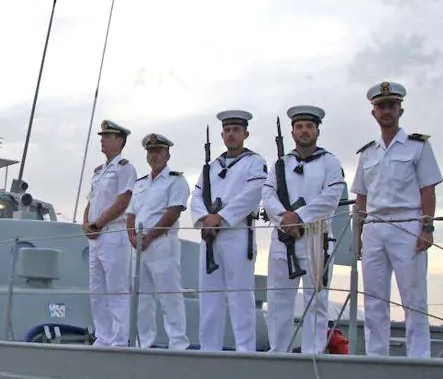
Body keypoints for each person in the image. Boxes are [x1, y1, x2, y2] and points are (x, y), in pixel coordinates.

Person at [352, 81, 443, 358]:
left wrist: (426, 228)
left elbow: (427, 190)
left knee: (413, 297)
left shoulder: (418, 146)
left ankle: (419, 357)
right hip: (374, 228)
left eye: (391, 105)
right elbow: (361, 198)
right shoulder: (368, 153)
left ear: (400, 110)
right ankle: (376, 356)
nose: (386, 111)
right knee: (374, 299)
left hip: (407, 223)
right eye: (381, 106)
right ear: (373, 113)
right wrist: (357, 238)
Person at [262, 105, 346, 353]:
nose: (304, 131)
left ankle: (313, 353)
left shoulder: (329, 162)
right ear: (292, 132)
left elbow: (331, 196)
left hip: (315, 237)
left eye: (309, 126)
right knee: (278, 300)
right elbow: (268, 194)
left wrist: (299, 217)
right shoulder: (281, 164)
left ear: (317, 130)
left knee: (316, 300)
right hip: (283, 239)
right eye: (299, 127)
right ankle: (279, 351)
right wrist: (283, 219)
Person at [189, 110, 267, 352]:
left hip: (237, 233)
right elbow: (197, 197)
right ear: (222, 134)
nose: (231, 134)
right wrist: (205, 219)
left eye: (236, 130)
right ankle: (209, 350)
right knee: (209, 298)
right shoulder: (211, 167)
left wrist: (220, 218)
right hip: (211, 236)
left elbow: (251, 195)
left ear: (245, 133)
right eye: (227, 130)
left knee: (240, 297)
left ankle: (245, 351)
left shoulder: (255, 162)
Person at [126, 133, 191, 350]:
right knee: (142, 299)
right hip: (138, 246)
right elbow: (131, 214)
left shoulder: (176, 180)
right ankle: (143, 343)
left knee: (169, 295)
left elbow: (173, 212)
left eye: (158, 151)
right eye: (150, 152)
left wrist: (150, 236)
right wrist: (133, 237)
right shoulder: (141, 184)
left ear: (167, 154)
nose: (154, 156)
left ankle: (178, 344)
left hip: (162, 243)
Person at [83, 119, 137, 347]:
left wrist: (99, 223)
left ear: (120, 140)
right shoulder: (99, 171)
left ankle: (119, 339)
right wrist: (86, 223)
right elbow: (91, 200)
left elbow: (123, 200)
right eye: (102, 136)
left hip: (114, 233)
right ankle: (103, 336)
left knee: (116, 289)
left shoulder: (125, 168)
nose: (102, 140)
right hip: (96, 236)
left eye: (107, 136)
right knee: (96, 290)